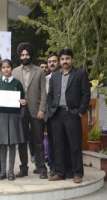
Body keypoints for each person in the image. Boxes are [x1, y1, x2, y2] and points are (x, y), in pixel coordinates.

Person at [47, 48, 90, 184]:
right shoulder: (54, 75)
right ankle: (60, 172)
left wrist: (80, 111)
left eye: (67, 59)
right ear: (60, 61)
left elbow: (86, 94)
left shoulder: (80, 74)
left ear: (72, 60)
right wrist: (50, 109)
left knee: (75, 144)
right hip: (57, 114)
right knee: (58, 144)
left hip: (72, 114)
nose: (65, 61)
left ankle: (77, 173)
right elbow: (51, 95)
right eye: (63, 59)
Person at [12, 42, 48, 179]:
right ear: (20, 56)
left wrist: (42, 109)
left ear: (30, 55)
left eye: (27, 54)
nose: (25, 56)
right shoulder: (14, 71)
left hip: (36, 111)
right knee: (21, 141)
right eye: (22, 54)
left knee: (38, 141)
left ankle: (41, 168)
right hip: (20, 112)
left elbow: (44, 92)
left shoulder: (39, 71)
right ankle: (23, 168)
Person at [0, 59, 26, 181]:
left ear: (11, 68)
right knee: (2, 145)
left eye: (8, 67)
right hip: (1, 116)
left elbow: (22, 100)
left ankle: (11, 172)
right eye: (3, 67)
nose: (6, 69)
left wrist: (23, 102)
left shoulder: (17, 83)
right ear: (1, 69)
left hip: (14, 116)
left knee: (12, 144)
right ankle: (2, 172)